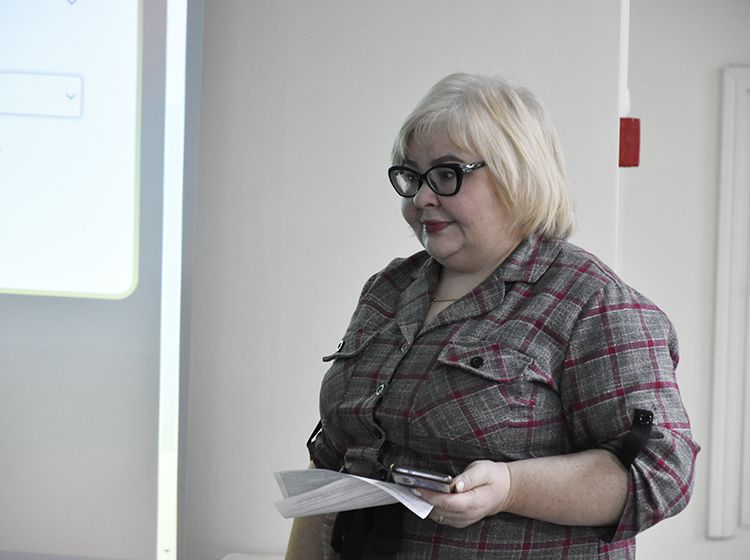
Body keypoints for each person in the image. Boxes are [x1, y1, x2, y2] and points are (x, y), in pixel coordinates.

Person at [285, 73, 699, 559]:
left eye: (446, 175)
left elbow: (660, 474)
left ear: (516, 173)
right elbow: (332, 463)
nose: (421, 198)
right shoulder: (388, 290)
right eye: (412, 177)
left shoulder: (591, 301)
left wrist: (510, 487)